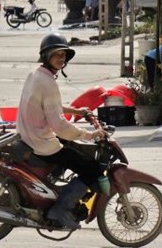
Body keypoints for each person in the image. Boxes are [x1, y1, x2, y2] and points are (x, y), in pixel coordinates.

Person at [16, 33, 108, 229]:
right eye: (56, 54)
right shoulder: (48, 82)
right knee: (91, 169)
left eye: (63, 54)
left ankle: (54, 187)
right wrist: (89, 135)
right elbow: (59, 125)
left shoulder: (36, 74)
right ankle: (61, 209)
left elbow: (51, 106)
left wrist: (77, 111)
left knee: (72, 149)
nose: (61, 58)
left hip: (29, 135)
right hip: (41, 142)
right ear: (46, 55)